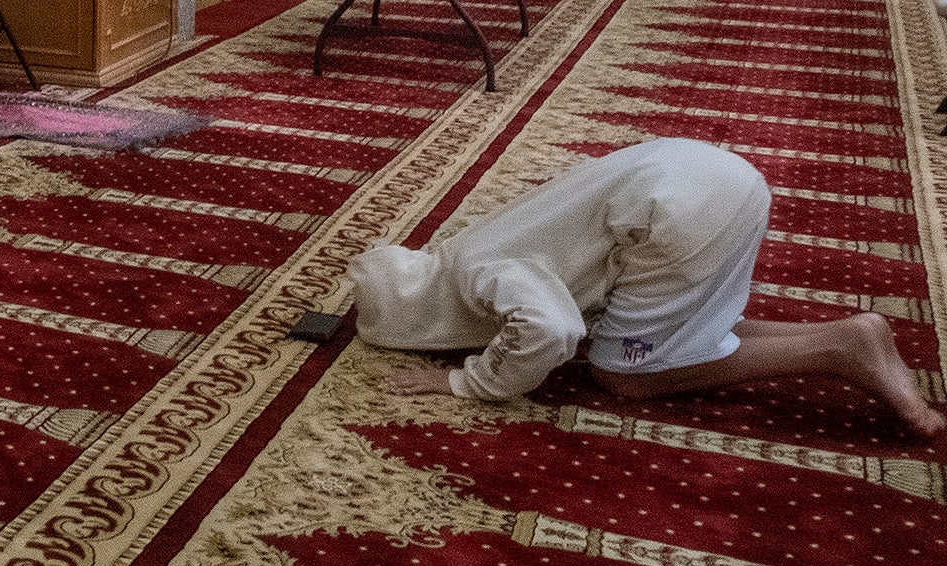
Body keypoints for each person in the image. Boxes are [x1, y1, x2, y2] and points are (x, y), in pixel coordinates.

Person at [349, 136, 941, 437]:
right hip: (707, 175)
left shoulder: (481, 278)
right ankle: (850, 335)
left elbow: (552, 332)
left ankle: (835, 349)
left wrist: (465, 380)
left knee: (622, 373)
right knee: (674, 326)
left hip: (674, 215)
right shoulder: (462, 253)